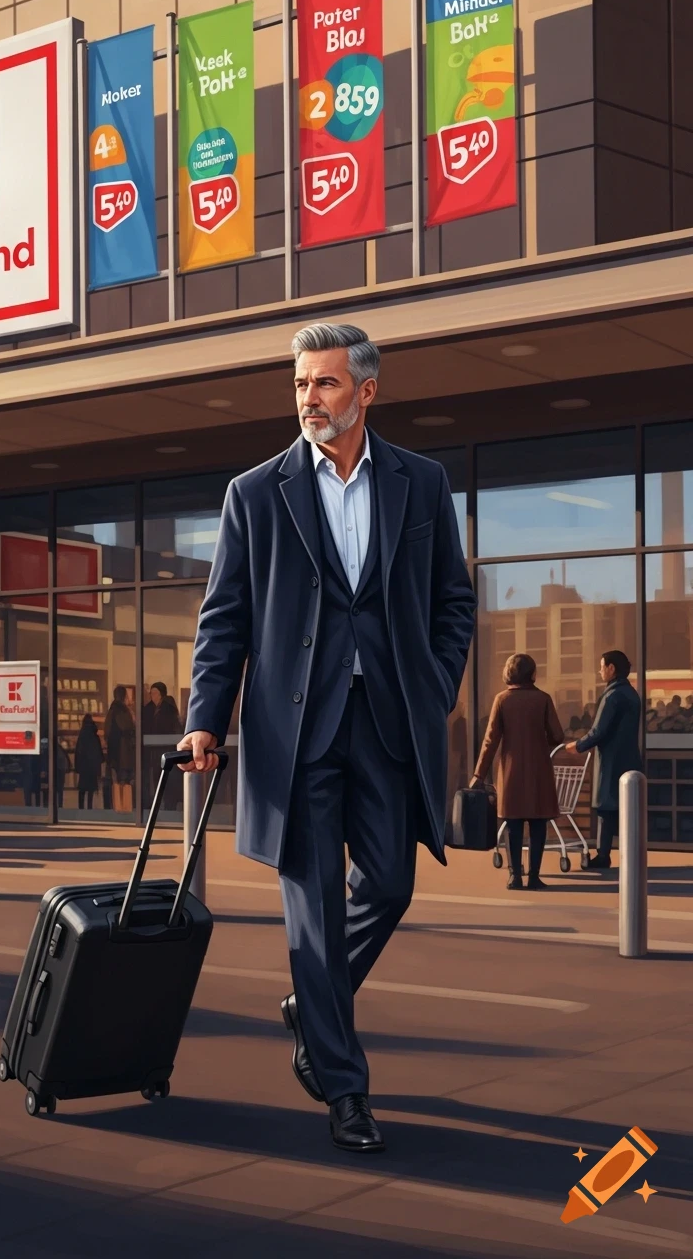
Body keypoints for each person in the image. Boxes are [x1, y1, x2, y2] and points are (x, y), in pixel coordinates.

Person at [177, 322, 476, 1153]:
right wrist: (205, 715)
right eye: (302, 384)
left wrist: (436, 686)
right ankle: (346, 1089)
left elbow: (454, 601)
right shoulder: (255, 491)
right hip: (295, 731)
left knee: (389, 886)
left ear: (367, 392)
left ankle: (314, 1000)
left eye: (327, 384)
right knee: (309, 913)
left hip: (388, 724)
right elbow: (224, 618)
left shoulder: (421, 483)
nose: (311, 398)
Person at [471, 653, 564, 891]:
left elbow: (490, 741)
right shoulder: (543, 699)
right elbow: (557, 736)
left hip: (510, 770)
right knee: (538, 823)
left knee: (512, 824)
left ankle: (514, 876)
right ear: (532, 673)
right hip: (538, 770)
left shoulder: (502, 700)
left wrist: (478, 775)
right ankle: (534, 876)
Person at [566, 650, 642, 871]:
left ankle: (602, 855)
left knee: (605, 810)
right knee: (626, 809)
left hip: (610, 760)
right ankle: (629, 853)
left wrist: (578, 745)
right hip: (628, 759)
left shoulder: (612, 696)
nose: (599, 671)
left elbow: (599, 730)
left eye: (602, 666)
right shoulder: (631, 693)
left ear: (611, 668)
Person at [104, 685, 135, 813]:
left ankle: (118, 806)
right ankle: (124, 807)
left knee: (116, 779)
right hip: (123, 751)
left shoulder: (111, 710)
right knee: (124, 780)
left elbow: (107, 732)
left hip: (114, 751)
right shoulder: (122, 710)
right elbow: (127, 728)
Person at [74, 714, 103, 810]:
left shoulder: (82, 734)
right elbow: (98, 752)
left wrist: (77, 766)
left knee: (82, 788)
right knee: (91, 788)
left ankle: (81, 807)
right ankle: (89, 807)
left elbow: (78, 751)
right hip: (92, 766)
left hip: (84, 766)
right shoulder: (94, 735)